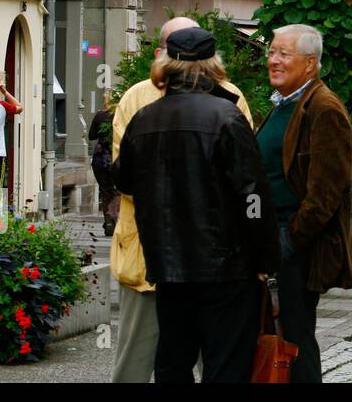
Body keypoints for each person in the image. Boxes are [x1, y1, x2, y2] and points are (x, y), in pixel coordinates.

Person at [114, 26, 278, 383]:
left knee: (173, 361)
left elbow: (124, 180)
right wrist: (264, 257)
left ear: (166, 63)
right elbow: (252, 196)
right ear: (212, 64)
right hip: (226, 267)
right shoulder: (227, 116)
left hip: (167, 266)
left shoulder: (144, 119)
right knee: (226, 364)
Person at [256, 23, 352, 384]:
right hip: (274, 242)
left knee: (295, 341)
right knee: (280, 339)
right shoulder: (286, 104)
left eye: (283, 54)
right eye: (271, 52)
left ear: (310, 64)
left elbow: (327, 191)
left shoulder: (323, 108)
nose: (273, 61)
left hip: (294, 250)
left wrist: (289, 241)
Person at [88, 99, 118, 236]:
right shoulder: (121, 114)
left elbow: (91, 135)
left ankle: (109, 221)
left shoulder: (100, 115)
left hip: (100, 158)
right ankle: (116, 221)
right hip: (116, 156)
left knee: (106, 191)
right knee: (118, 191)